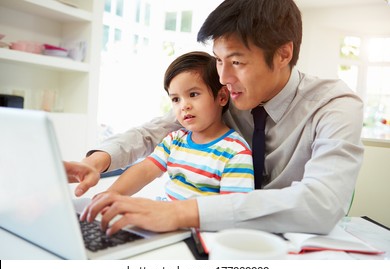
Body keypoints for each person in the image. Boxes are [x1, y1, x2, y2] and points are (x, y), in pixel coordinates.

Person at [67, 0, 364, 236]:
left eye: (236, 61)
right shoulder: (228, 94)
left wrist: (180, 212)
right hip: (217, 239)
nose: (223, 77)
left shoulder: (335, 105)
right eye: (219, 60)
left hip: (294, 245)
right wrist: (100, 159)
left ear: (283, 53)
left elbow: (323, 204)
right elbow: (158, 129)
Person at [81, 51, 254, 208]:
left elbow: (233, 211)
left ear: (222, 96)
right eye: (176, 99)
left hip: (200, 232)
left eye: (193, 94)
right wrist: (112, 194)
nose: (184, 106)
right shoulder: (175, 140)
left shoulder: (236, 152)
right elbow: (145, 170)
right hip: (166, 224)